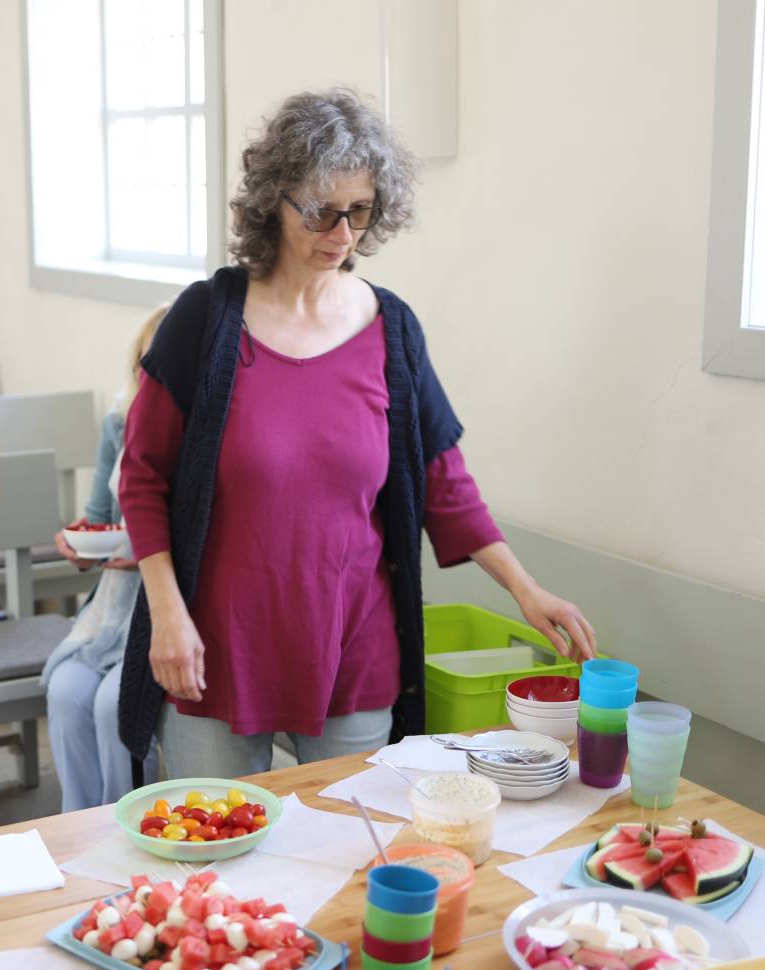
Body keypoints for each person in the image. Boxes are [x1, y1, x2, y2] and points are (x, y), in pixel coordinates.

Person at [119, 88, 597, 779]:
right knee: (214, 857)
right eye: (320, 212)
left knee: (355, 851)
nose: (342, 235)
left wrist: (525, 589)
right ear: (275, 202)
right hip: (216, 649)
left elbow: (445, 484)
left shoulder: (391, 331)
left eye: (360, 212)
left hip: (353, 653)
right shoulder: (207, 319)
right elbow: (143, 477)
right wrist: (167, 614)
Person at [43, 305, 170, 812]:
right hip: (111, 609)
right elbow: (96, 516)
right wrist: (80, 544)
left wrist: (147, 553)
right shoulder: (120, 420)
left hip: (163, 611)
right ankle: (78, 831)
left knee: (110, 707)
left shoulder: (203, 436)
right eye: (143, 367)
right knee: (67, 694)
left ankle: (130, 833)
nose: (149, 379)